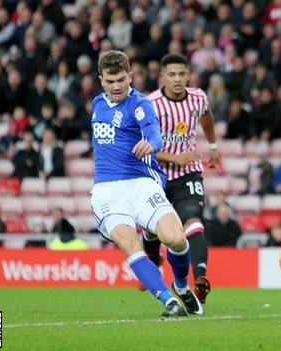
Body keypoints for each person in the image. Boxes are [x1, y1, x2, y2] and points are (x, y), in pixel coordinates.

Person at [90, 51, 201, 317]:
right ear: (101, 80)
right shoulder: (97, 103)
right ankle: (168, 301)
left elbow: (154, 133)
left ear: (130, 75)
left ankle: (182, 286)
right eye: (110, 81)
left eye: (121, 79)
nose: (116, 86)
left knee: (175, 239)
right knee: (129, 243)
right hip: (107, 190)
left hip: (142, 184)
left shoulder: (139, 104)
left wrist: (151, 143)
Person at [141, 54, 220, 304]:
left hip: (188, 173)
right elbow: (142, 144)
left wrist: (213, 145)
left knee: (193, 222)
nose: (177, 79)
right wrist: (175, 158)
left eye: (182, 74)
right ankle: (154, 262)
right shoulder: (150, 104)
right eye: (172, 75)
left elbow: (206, 116)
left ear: (188, 75)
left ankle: (200, 279)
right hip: (157, 174)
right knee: (151, 229)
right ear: (162, 77)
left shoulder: (198, 98)